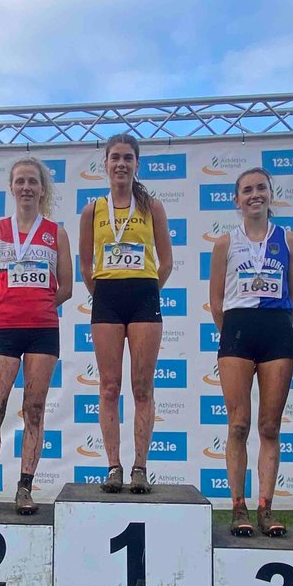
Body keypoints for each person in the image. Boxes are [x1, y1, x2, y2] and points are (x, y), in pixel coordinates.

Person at [0, 158, 73, 515]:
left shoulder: (55, 232)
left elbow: (67, 287)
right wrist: (9, 307)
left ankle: (25, 487)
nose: (27, 187)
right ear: (11, 188)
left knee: (35, 410)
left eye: (33, 181)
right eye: (20, 181)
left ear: (43, 189)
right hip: (4, 329)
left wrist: (37, 304)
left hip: (43, 330)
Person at [208, 167, 293, 537]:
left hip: (276, 331)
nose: (254, 195)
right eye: (247, 190)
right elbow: (216, 300)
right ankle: (237, 506)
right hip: (237, 333)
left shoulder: (290, 241)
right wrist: (231, 331)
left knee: (269, 426)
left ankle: (266, 507)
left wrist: (277, 324)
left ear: (270, 194)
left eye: (261, 188)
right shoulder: (225, 243)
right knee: (238, 424)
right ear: (237, 200)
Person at [78, 133, 173, 493]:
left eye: (128, 158)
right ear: (105, 164)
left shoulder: (153, 207)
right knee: (108, 386)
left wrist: (147, 289)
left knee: (142, 387)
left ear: (137, 164)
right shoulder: (92, 211)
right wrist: (104, 291)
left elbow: (166, 262)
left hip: (144, 295)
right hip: (107, 297)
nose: (121, 164)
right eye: (115, 157)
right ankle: (113, 466)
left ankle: (140, 467)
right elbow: (86, 266)